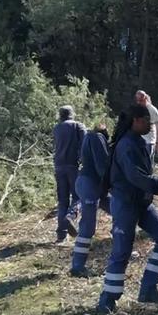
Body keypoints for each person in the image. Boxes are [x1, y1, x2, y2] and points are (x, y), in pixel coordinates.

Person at [97, 105, 158, 314]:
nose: (151, 125)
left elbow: (143, 177)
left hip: (142, 202)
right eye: (147, 120)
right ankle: (106, 302)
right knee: (122, 251)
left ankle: (148, 289)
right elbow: (138, 178)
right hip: (125, 204)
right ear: (136, 120)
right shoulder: (126, 146)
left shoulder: (137, 142)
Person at [70, 124, 113, 277]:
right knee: (88, 228)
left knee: (118, 210)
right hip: (90, 184)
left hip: (90, 184)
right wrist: (113, 185)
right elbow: (102, 166)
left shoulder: (88, 139)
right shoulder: (97, 137)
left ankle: (118, 242)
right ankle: (77, 266)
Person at [52, 106, 86, 243]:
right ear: (72, 114)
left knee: (62, 201)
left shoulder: (57, 128)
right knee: (80, 196)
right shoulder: (78, 126)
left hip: (59, 166)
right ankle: (70, 217)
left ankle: (61, 235)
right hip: (73, 165)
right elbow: (85, 144)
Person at [135, 90, 158, 164]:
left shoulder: (152, 110)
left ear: (145, 99)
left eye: (140, 100)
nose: (138, 102)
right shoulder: (136, 109)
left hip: (149, 141)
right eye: (137, 100)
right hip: (138, 141)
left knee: (147, 164)